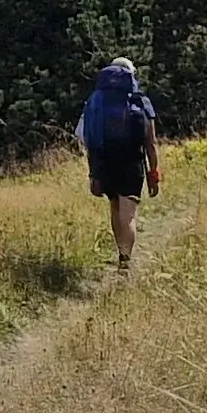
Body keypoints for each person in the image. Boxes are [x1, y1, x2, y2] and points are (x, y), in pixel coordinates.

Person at [80, 56, 161, 269]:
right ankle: (126, 260)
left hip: (104, 162)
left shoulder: (96, 100)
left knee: (115, 208)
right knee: (128, 214)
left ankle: (121, 252)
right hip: (131, 162)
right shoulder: (140, 100)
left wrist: (93, 173)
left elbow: (90, 139)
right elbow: (151, 142)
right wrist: (154, 173)